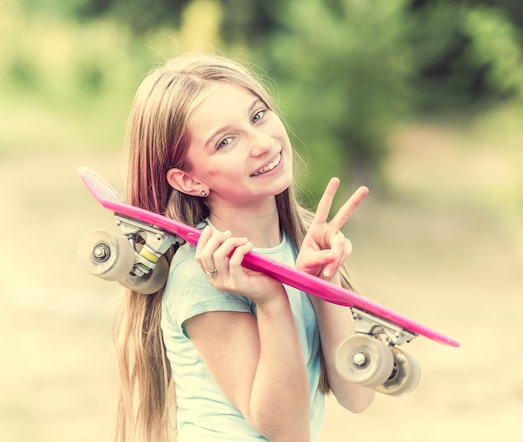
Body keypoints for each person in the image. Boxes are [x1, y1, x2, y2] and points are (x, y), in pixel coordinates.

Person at [114, 53, 376, 442]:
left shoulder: (294, 246)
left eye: (257, 116)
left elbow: (356, 394)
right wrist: (272, 301)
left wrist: (323, 285)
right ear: (188, 180)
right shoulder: (203, 276)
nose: (261, 143)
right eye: (225, 141)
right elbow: (287, 431)